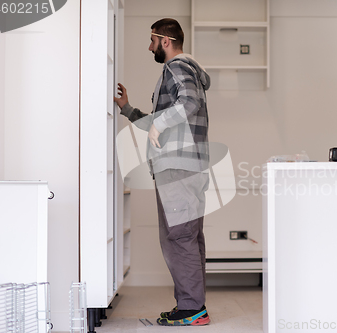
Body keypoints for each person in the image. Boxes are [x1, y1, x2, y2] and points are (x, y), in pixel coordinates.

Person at [113, 18, 211, 326]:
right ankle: (193, 305)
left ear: (164, 41)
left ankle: (192, 308)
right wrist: (129, 109)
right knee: (189, 237)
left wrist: (159, 123)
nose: (149, 46)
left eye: (152, 41)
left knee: (180, 237)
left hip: (177, 166)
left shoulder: (175, 68)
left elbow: (189, 102)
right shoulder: (188, 70)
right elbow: (163, 121)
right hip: (190, 164)